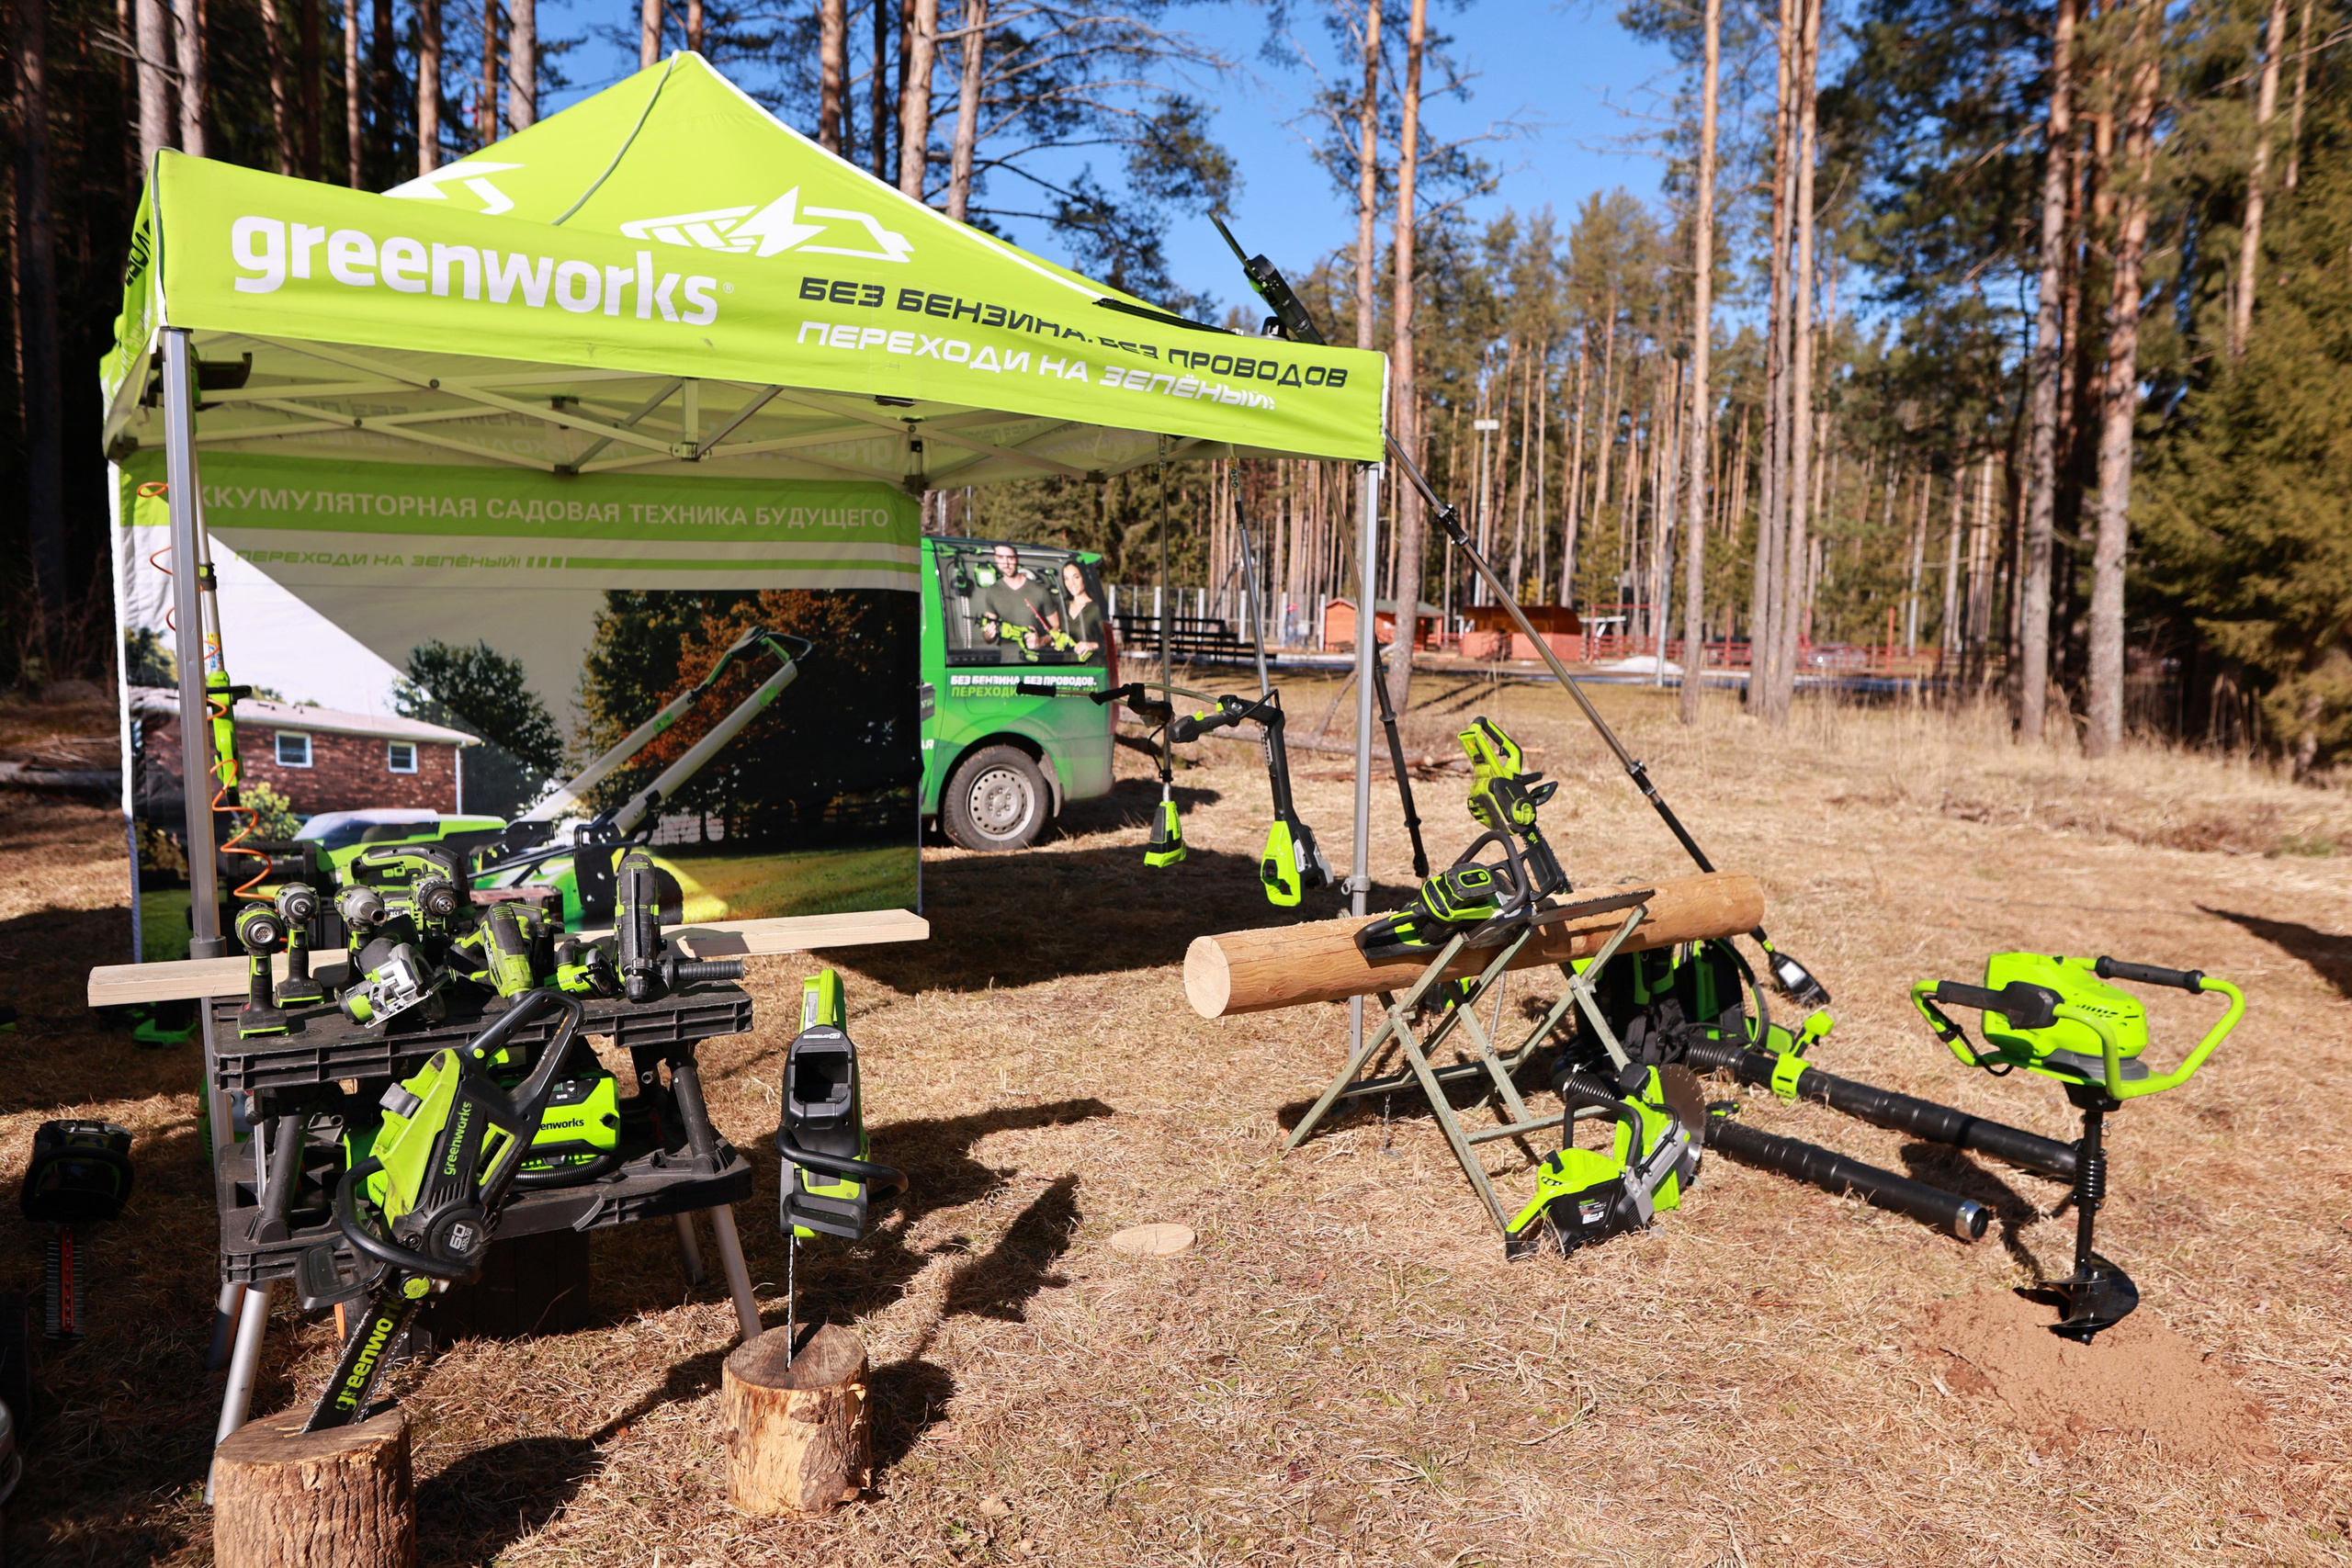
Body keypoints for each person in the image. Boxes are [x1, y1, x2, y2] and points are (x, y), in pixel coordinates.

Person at [974, 543, 1060, 653]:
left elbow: (1057, 626)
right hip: (1007, 664)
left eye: (1010, 558)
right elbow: (988, 637)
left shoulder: (1039, 590)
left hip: (1037, 664)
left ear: (1017, 558)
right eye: (1000, 558)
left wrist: (1042, 641)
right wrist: (988, 634)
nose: (1006, 563)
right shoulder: (992, 591)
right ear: (995, 558)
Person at [1058, 559, 1104, 663]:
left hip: (1090, 674)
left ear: (1084, 578)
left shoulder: (1096, 609)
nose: (1071, 583)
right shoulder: (1063, 607)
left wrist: (1093, 645)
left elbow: (1110, 645)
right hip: (1066, 674)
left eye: (1076, 577)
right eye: (1066, 579)